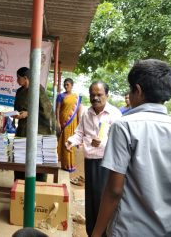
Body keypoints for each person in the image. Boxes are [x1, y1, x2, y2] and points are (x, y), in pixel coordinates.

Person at [92, 59, 171, 237]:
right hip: (168, 231)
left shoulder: (124, 126)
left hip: (128, 230)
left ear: (137, 91)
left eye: (130, 90)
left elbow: (114, 190)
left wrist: (96, 233)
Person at [65, 81, 122, 236]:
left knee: (102, 200)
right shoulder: (86, 113)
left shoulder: (115, 114)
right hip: (90, 162)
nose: (95, 98)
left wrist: (103, 142)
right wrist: (71, 141)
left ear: (107, 95)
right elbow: (80, 133)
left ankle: (104, 233)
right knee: (90, 200)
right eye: (92, 94)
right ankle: (91, 232)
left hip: (106, 163)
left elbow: (120, 141)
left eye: (99, 94)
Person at [12, 67, 56, 182]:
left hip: (37, 130)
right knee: (20, 157)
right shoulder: (19, 91)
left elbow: (46, 110)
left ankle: (38, 188)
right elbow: (17, 108)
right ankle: (19, 186)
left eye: (18, 78)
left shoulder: (38, 89)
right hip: (22, 130)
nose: (17, 80)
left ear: (26, 78)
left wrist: (29, 113)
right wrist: (16, 115)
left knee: (36, 159)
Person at [56, 78, 82, 172]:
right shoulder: (60, 96)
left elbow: (79, 110)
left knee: (71, 142)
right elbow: (58, 109)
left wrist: (79, 123)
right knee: (64, 142)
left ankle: (71, 164)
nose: (66, 86)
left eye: (68, 84)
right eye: (65, 84)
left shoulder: (77, 97)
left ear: (72, 85)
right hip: (63, 122)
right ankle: (65, 164)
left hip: (73, 122)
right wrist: (58, 122)